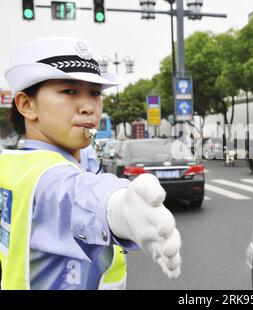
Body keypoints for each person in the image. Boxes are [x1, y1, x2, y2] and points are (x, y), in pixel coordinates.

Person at [0, 37, 181, 290]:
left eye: (95, 93)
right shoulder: (46, 176)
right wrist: (120, 207)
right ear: (27, 105)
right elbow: (73, 193)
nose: (88, 107)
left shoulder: (12, 164)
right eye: (69, 91)